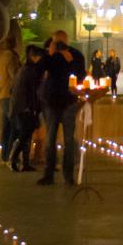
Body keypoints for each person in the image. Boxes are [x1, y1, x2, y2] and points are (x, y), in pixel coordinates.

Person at [37, 31, 88, 185]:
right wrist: (49, 54)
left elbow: (81, 75)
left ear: (66, 41)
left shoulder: (75, 55)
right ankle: (49, 174)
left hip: (68, 101)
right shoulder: (50, 56)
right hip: (51, 101)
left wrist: (70, 61)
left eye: (61, 42)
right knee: (50, 140)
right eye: (56, 42)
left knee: (68, 140)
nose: (59, 45)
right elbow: (39, 70)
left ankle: (68, 175)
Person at [8, 45, 45, 172]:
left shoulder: (24, 69)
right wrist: (33, 108)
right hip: (25, 108)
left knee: (27, 135)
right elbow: (31, 92)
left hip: (22, 107)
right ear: (33, 57)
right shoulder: (30, 71)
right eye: (39, 56)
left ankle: (25, 163)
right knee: (25, 135)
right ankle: (13, 158)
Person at [0, 36, 21, 163]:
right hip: (10, 96)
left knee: (6, 127)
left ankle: (5, 155)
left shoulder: (2, 57)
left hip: (3, 94)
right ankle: (11, 154)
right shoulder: (11, 58)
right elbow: (14, 76)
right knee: (14, 127)